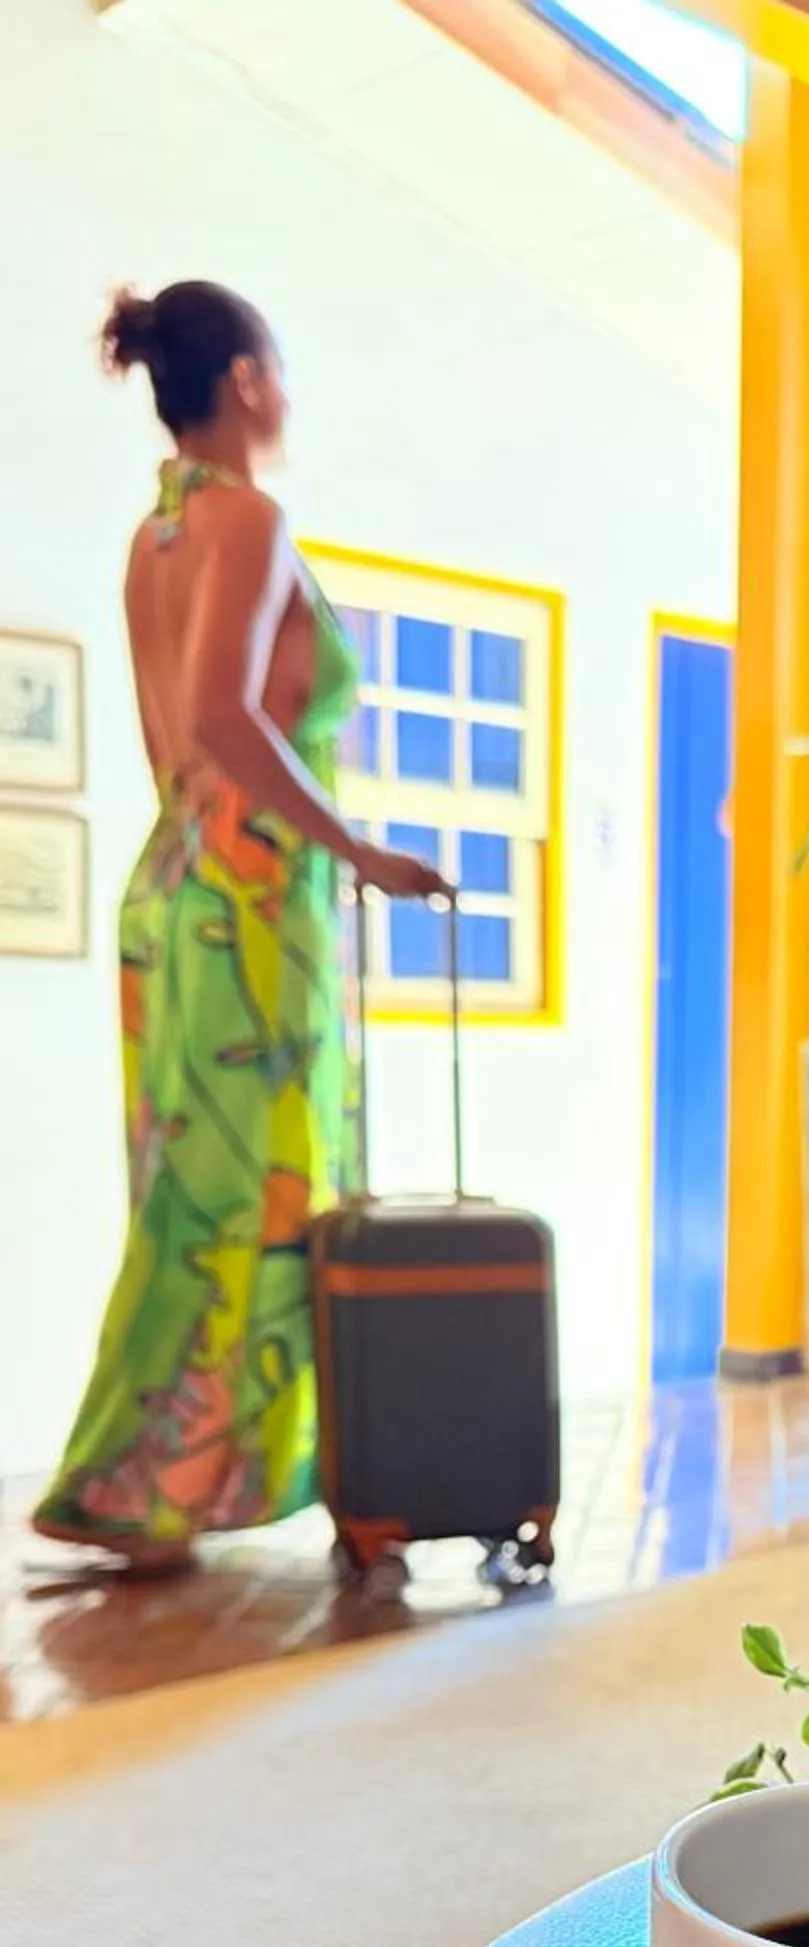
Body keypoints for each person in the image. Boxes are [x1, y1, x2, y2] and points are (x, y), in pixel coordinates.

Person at [34, 280, 447, 1573]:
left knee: (196, 1190)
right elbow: (221, 716)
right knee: (251, 1191)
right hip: (247, 899)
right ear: (252, 380)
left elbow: (186, 734)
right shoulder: (248, 518)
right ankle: (148, 1486)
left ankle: (174, 1481)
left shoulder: (153, 540)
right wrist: (362, 851)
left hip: (175, 886)